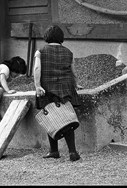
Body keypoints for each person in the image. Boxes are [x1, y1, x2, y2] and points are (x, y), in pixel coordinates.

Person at [34, 25, 82, 162]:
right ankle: (72, 151)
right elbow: (73, 71)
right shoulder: (68, 52)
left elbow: (37, 68)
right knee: (67, 119)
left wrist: (37, 85)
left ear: (47, 37)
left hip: (47, 88)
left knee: (51, 118)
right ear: (61, 38)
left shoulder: (40, 51)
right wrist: (76, 84)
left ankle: (54, 150)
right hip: (66, 88)